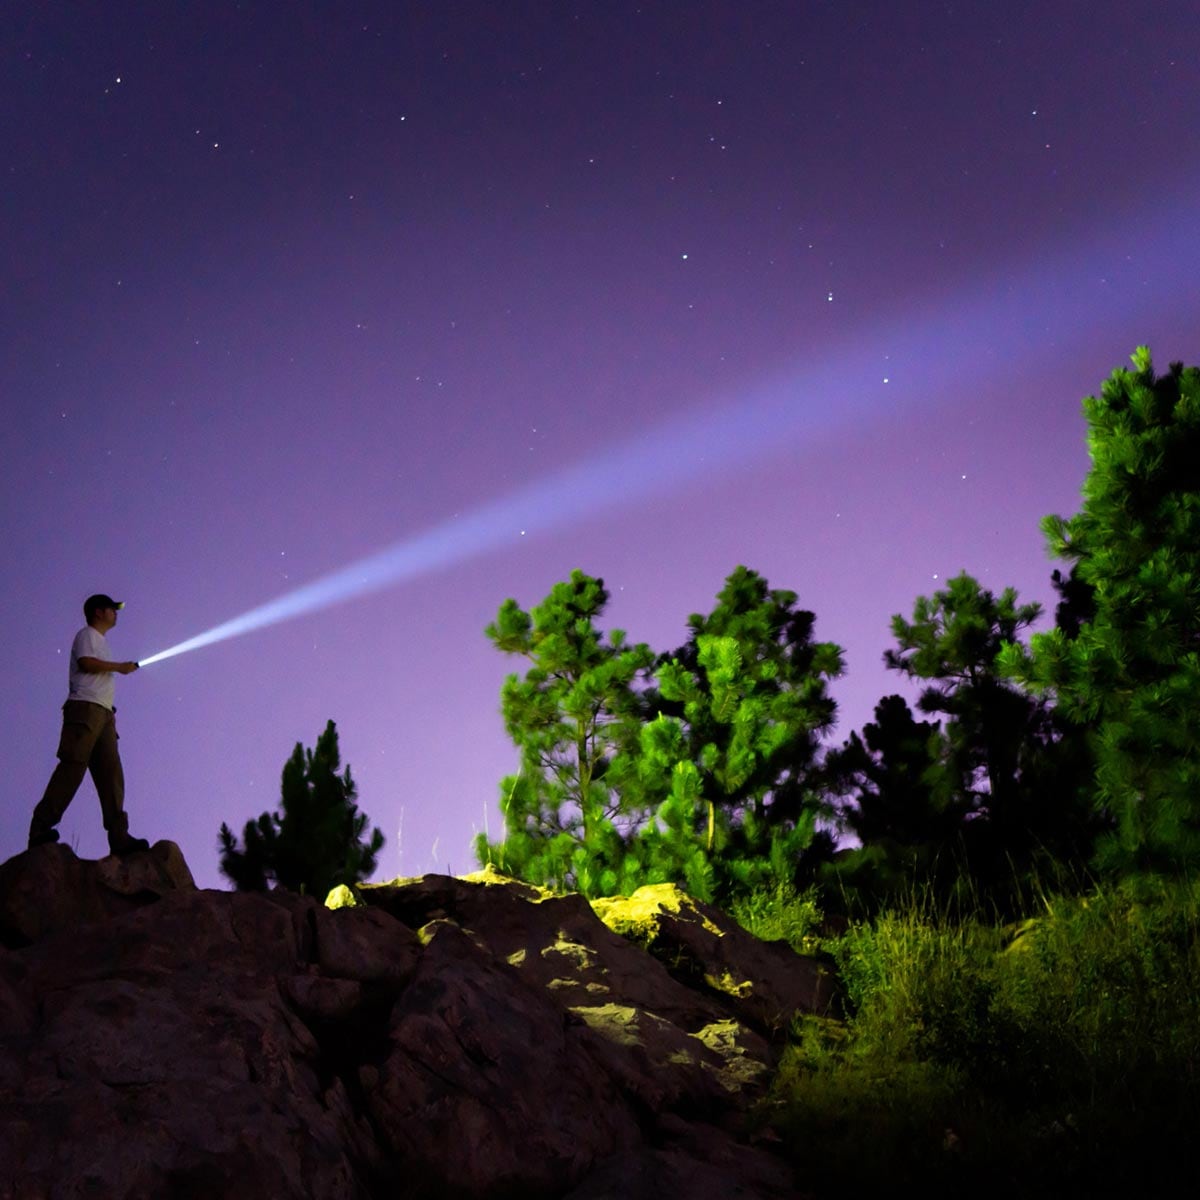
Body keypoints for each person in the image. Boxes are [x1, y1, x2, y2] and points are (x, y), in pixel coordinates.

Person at [29, 594, 150, 856]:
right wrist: (119, 667)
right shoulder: (86, 635)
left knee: (112, 776)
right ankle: (39, 829)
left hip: (104, 715)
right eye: (112, 609)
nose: (116, 613)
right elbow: (86, 663)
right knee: (72, 769)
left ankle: (119, 839)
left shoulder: (101, 642)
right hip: (84, 709)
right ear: (98, 612)